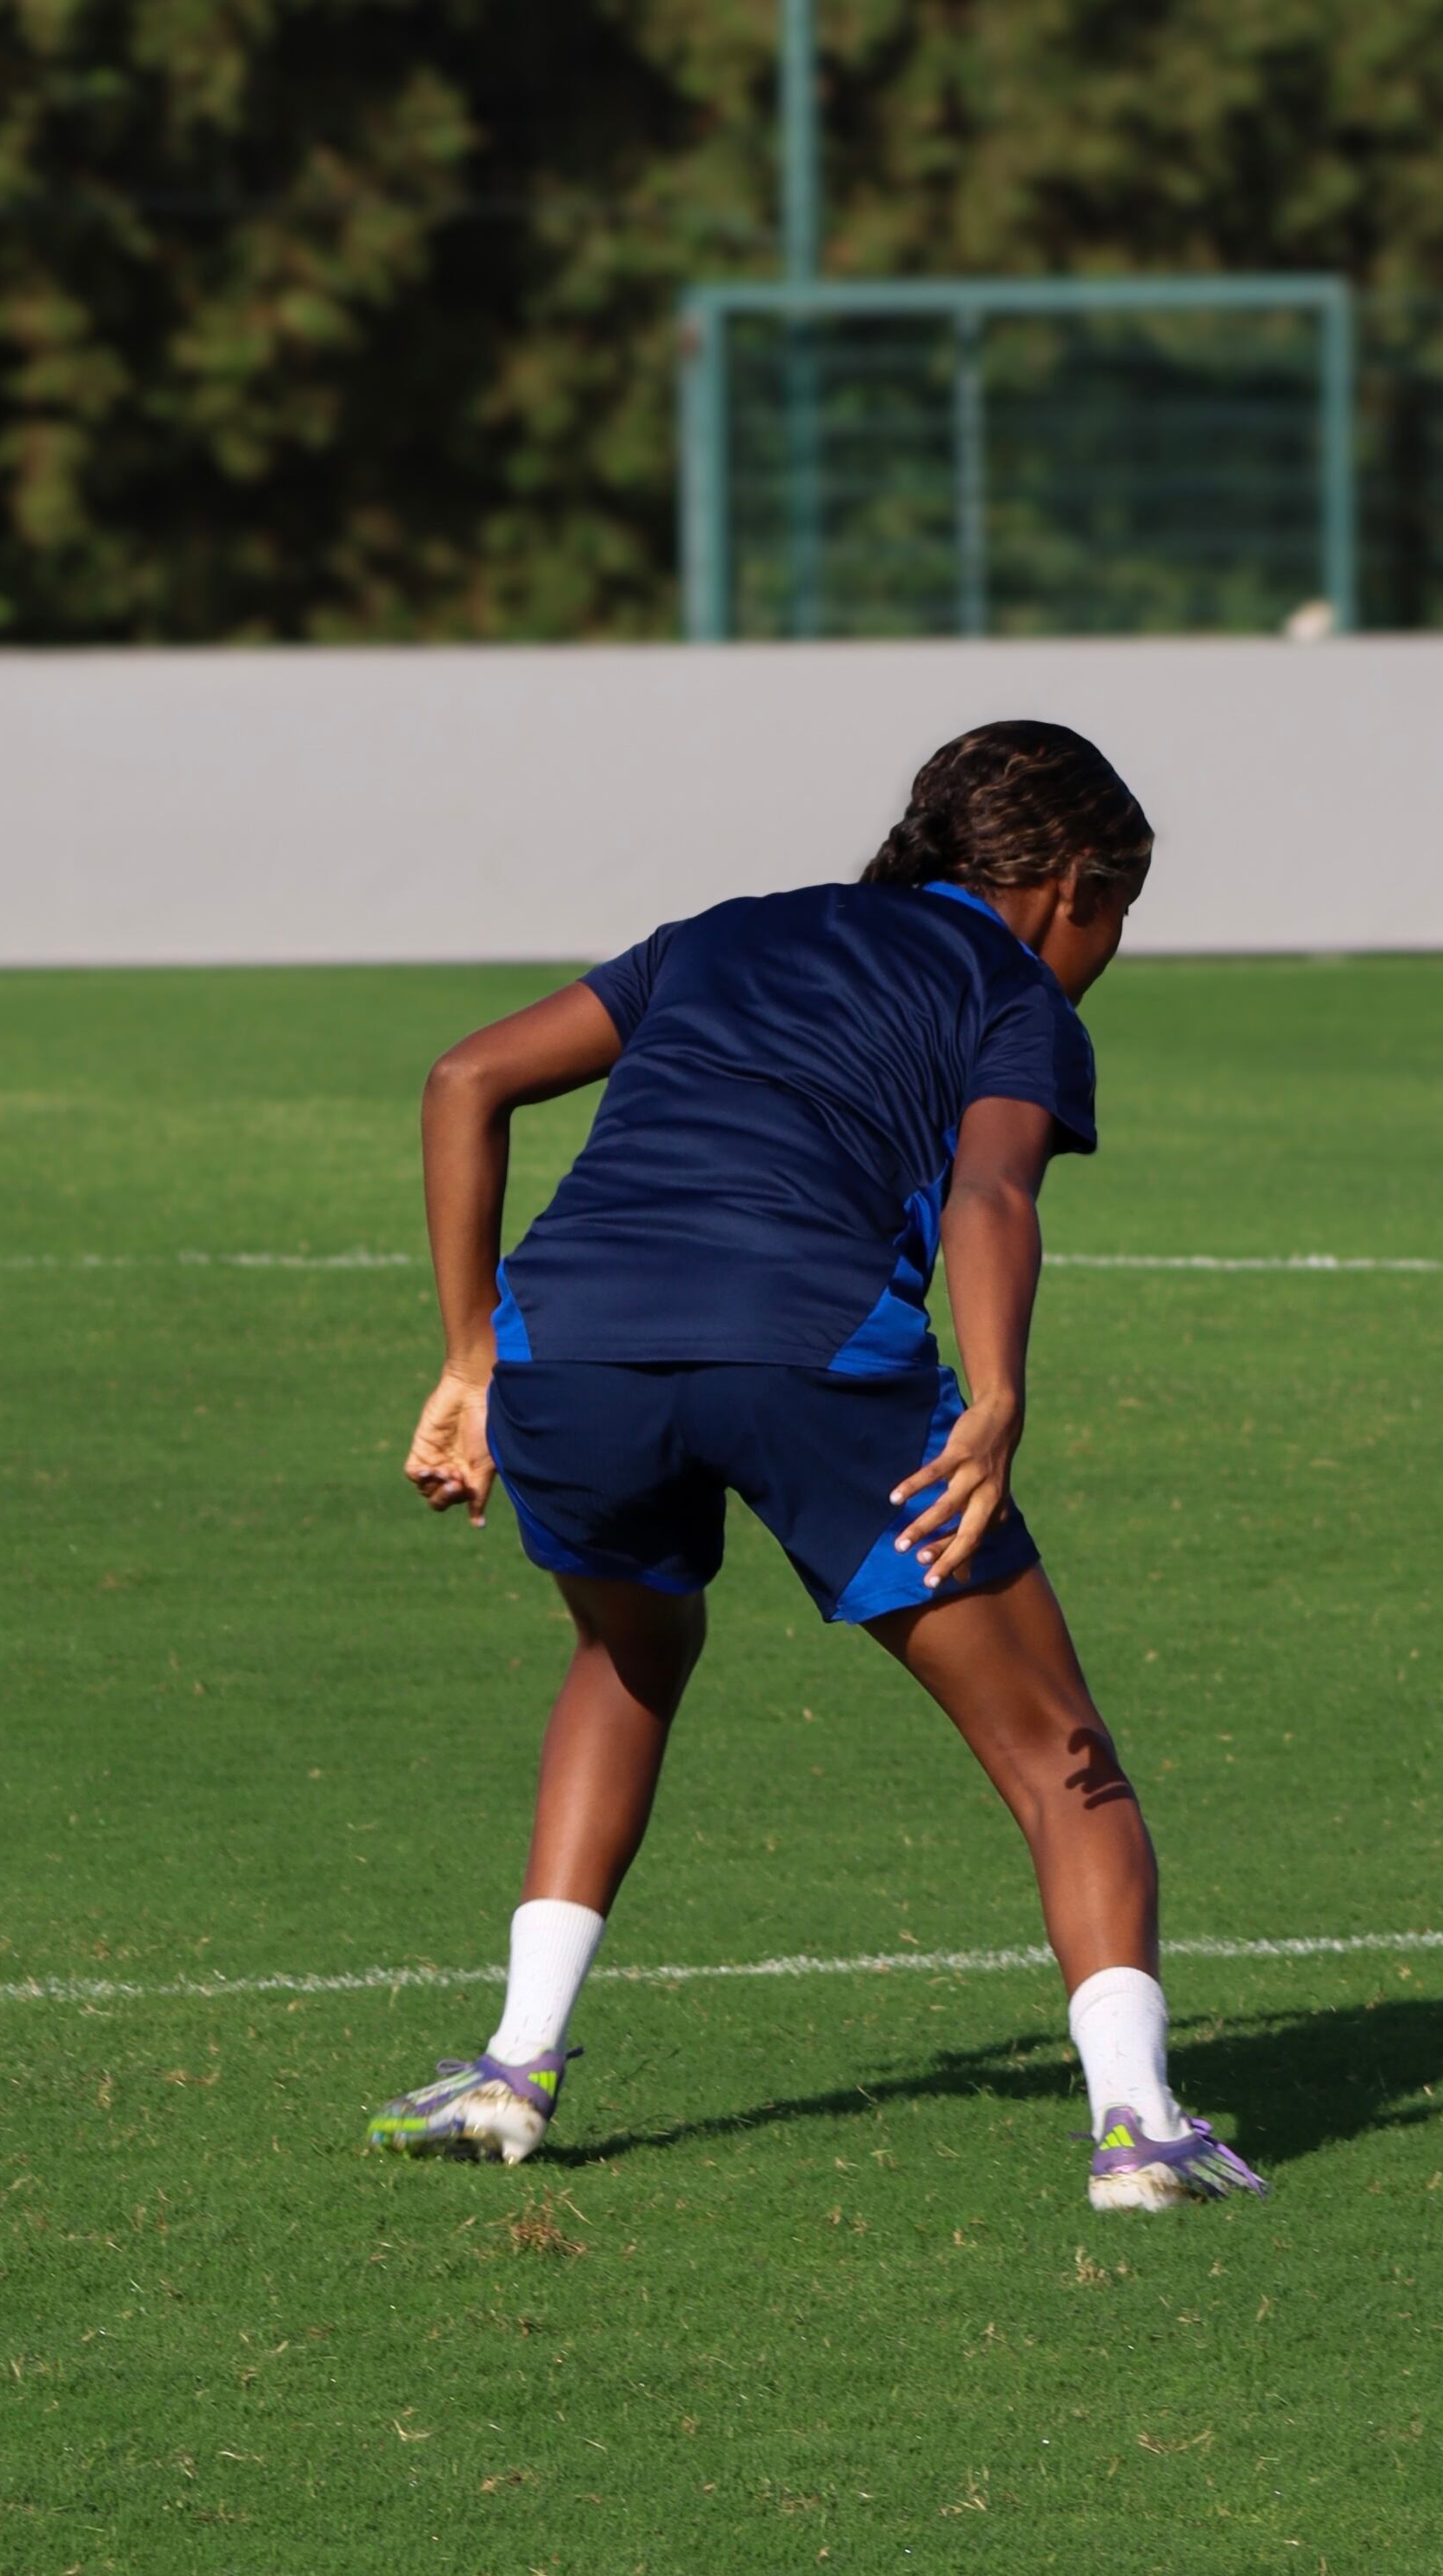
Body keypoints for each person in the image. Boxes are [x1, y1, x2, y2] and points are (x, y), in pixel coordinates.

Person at [367, 720, 1266, 2210]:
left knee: (628, 1653)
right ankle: (1139, 2127)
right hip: (803, 1355)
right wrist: (996, 1392)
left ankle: (514, 2066)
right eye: (1121, 915)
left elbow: (466, 1077)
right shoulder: (1013, 991)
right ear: (1066, 884)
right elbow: (989, 1188)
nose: (1109, 950)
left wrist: (471, 1356)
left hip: (570, 1348)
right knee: (1058, 1752)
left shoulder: (722, 933)